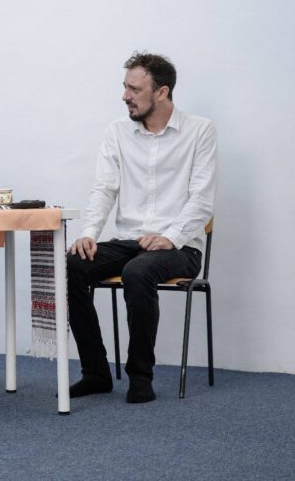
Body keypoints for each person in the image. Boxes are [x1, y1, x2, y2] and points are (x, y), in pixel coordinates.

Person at [66, 52, 217, 404]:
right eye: (125, 87)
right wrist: (89, 233)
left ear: (162, 92)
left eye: (134, 89)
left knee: (138, 272)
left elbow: (202, 199)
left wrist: (170, 237)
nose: (125, 96)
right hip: (129, 241)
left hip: (181, 247)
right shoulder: (117, 132)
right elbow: (104, 189)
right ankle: (95, 372)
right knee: (69, 265)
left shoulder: (200, 131)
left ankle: (140, 377)